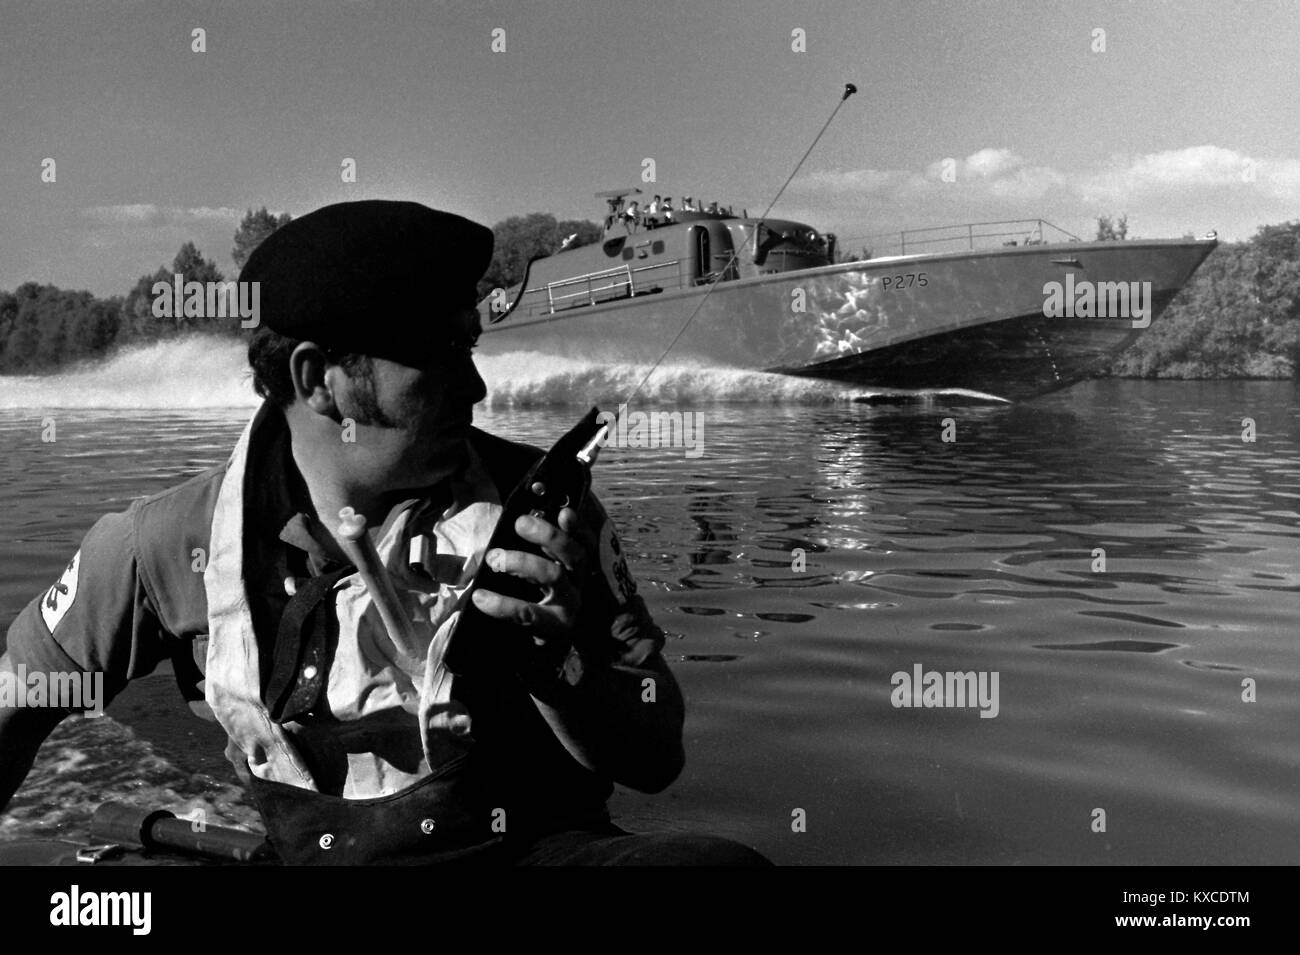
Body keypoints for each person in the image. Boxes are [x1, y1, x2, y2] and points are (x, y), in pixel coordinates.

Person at [0, 200, 770, 867]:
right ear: (318, 379)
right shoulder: (161, 546)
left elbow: (656, 756)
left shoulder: (543, 515)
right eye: (441, 357)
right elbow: (17, 695)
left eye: (472, 347)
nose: (476, 386)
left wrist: (558, 667)